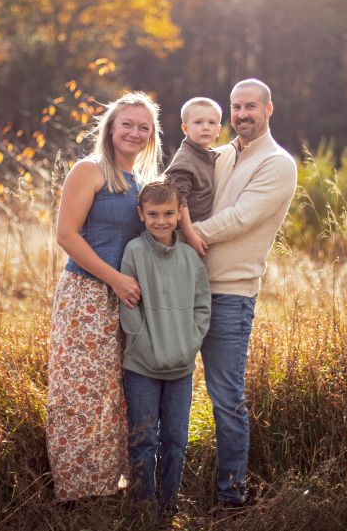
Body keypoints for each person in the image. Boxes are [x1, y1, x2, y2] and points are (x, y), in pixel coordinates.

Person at [47, 91, 162, 502]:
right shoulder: (90, 169)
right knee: (80, 390)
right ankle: (75, 494)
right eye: (127, 124)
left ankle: (108, 484)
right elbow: (66, 235)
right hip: (87, 295)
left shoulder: (143, 183)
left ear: (151, 137)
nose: (134, 132)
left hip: (126, 298)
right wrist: (114, 279)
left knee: (116, 394)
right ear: (111, 128)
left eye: (143, 127)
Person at [192, 78, 297, 507]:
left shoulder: (278, 163)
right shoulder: (218, 155)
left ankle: (231, 497)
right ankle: (160, 492)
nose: (241, 115)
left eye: (250, 106)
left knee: (226, 397)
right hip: (184, 290)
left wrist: (181, 234)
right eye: (235, 107)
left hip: (230, 296)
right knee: (167, 389)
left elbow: (240, 218)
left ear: (269, 109)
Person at [119, 178, 211, 515]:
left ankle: (168, 507)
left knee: (175, 440)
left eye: (169, 213)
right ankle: (143, 508)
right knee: (144, 439)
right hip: (142, 366)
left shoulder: (189, 257)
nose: (161, 220)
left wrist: (191, 342)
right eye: (154, 213)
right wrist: (141, 339)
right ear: (141, 214)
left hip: (181, 368)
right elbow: (128, 303)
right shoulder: (135, 251)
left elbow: (203, 305)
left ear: (178, 214)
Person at [164, 96, 222, 258]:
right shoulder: (186, 160)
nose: (205, 127)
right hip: (181, 237)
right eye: (198, 122)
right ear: (185, 128)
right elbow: (179, 201)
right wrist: (191, 236)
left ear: (218, 130)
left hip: (199, 230)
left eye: (211, 123)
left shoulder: (206, 154)